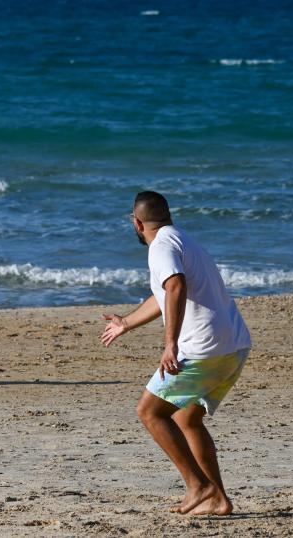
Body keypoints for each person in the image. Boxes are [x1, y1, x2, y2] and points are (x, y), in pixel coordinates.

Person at [101, 191, 251, 515]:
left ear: (137, 223)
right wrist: (126, 323)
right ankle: (218, 499)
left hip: (203, 348)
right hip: (233, 346)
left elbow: (176, 286)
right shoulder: (183, 240)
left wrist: (171, 344)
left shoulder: (161, 247)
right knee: (187, 418)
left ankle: (200, 488)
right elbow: (164, 293)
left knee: (150, 412)